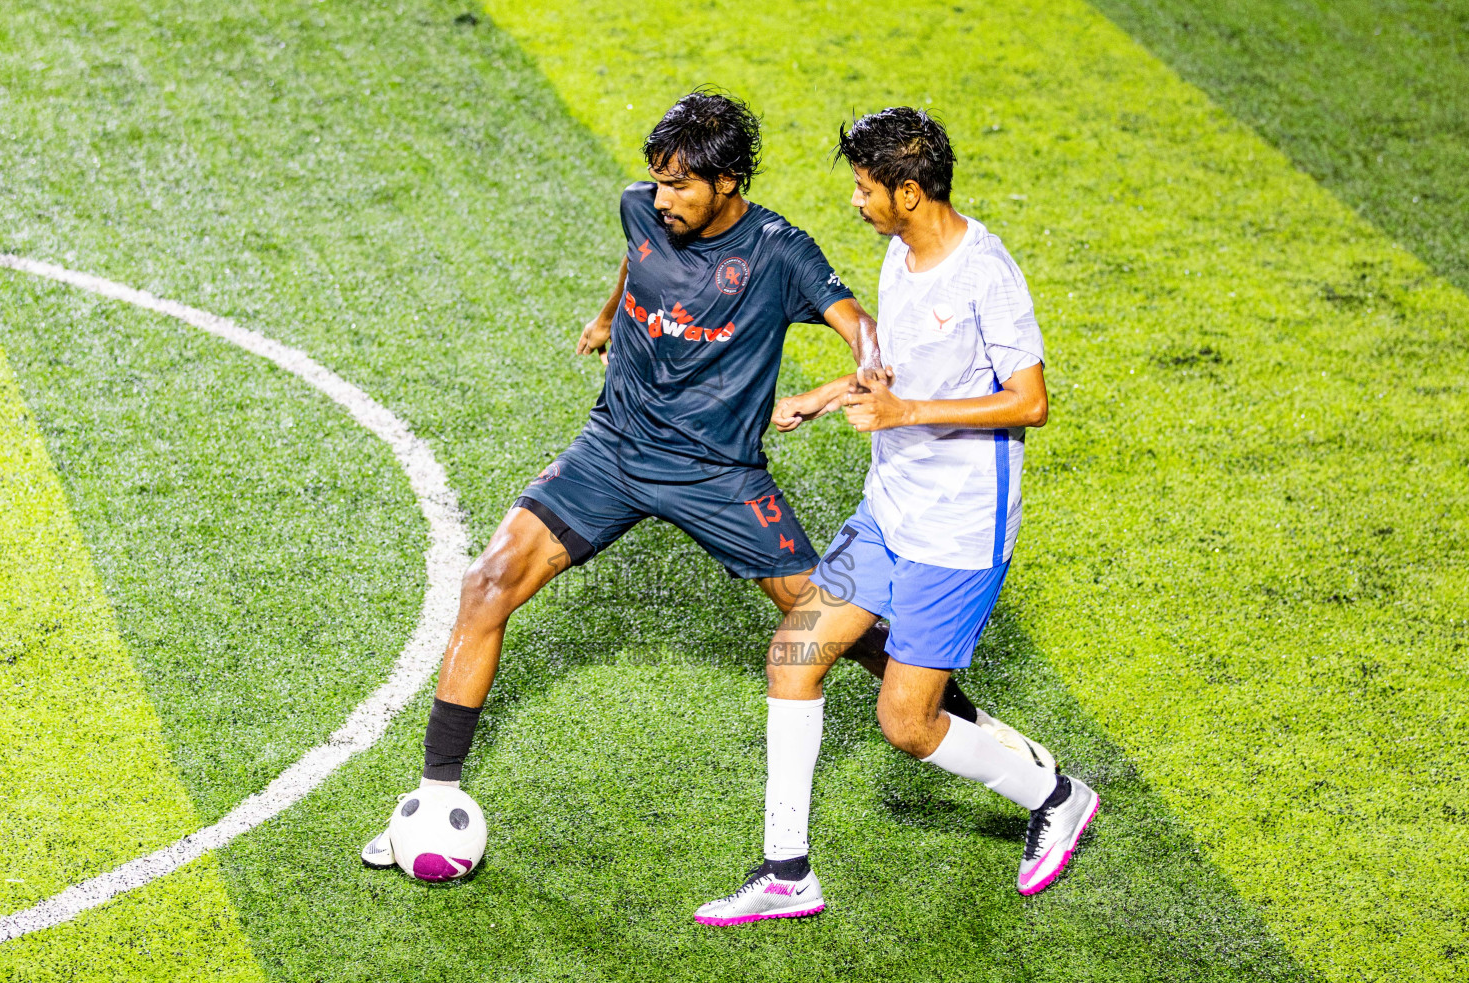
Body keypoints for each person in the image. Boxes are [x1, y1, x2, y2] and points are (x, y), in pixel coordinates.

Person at [360, 91, 1048, 879]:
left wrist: (866, 362)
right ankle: (432, 800)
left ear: (727, 182)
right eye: (656, 182)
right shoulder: (643, 210)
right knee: (486, 584)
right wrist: (606, 314)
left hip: (719, 476)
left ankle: (965, 724)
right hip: (613, 449)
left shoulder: (780, 251)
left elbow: (854, 319)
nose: (661, 200)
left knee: (826, 622)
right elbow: (637, 253)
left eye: (680, 186)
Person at [695, 107, 1098, 926]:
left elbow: (1031, 401)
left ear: (909, 191)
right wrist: (826, 395)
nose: (856, 202)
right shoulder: (899, 254)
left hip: (958, 532)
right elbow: (892, 372)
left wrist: (903, 410)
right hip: (888, 513)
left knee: (907, 724)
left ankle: (1057, 796)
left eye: (865, 188)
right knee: (794, 655)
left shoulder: (985, 272)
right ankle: (786, 873)